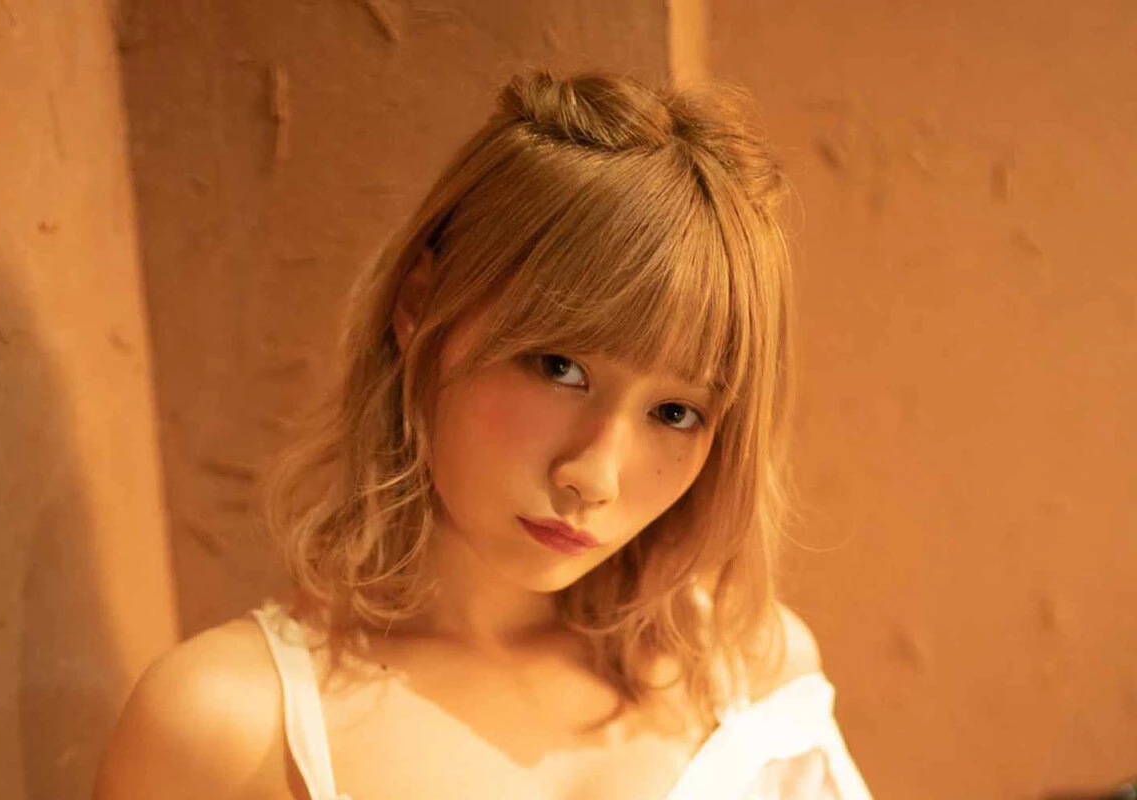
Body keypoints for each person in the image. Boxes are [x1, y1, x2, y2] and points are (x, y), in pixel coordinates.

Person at [94, 70, 874, 800]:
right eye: (559, 367)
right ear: (420, 304)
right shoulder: (222, 727)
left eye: (675, 413)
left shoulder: (748, 672)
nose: (594, 476)